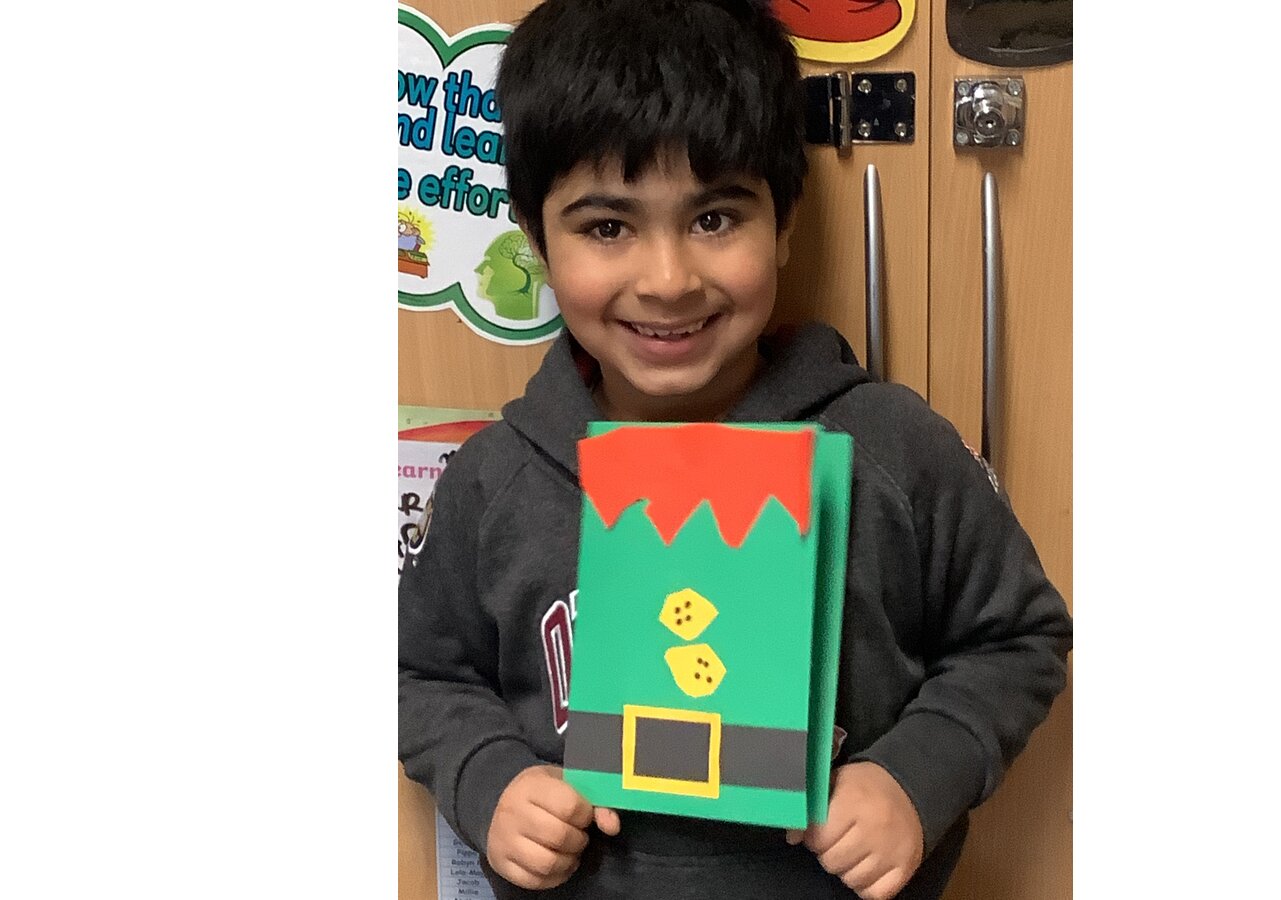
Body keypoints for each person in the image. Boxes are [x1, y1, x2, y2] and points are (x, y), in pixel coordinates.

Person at [397, 1, 1073, 897]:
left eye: (714, 219)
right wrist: (487, 778)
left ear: (784, 224)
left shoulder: (893, 449)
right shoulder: (498, 480)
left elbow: (1019, 636)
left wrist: (916, 777)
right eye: (607, 227)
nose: (668, 280)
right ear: (536, 239)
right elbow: (419, 671)